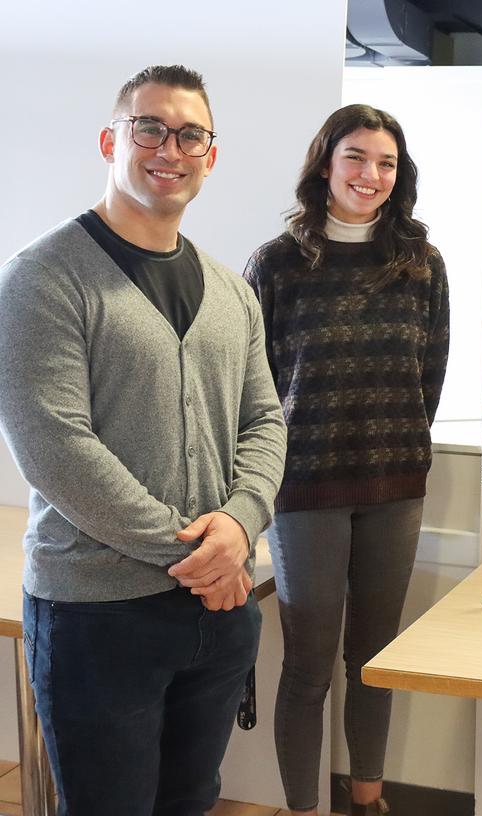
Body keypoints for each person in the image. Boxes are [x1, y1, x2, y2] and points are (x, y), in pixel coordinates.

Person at [0, 65, 287, 815]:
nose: (170, 148)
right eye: (149, 128)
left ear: (210, 157)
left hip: (217, 614)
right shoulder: (42, 278)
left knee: (190, 801)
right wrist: (201, 557)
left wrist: (240, 523)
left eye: (191, 135)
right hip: (99, 615)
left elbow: (264, 419)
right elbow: (56, 448)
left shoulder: (232, 292)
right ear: (110, 141)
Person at [244, 104, 449, 816]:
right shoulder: (276, 264)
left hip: (396, 486)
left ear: (400, 174)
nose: (370, 174)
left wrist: (396, 442)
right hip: (303, 490)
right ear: (326, 164)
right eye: (356, 157)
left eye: (386, 162)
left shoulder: (421, 263)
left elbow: (430, 373)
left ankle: (368, 802)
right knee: (307, 669)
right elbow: (253, 388)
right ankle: (304, 810)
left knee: (374, 661)